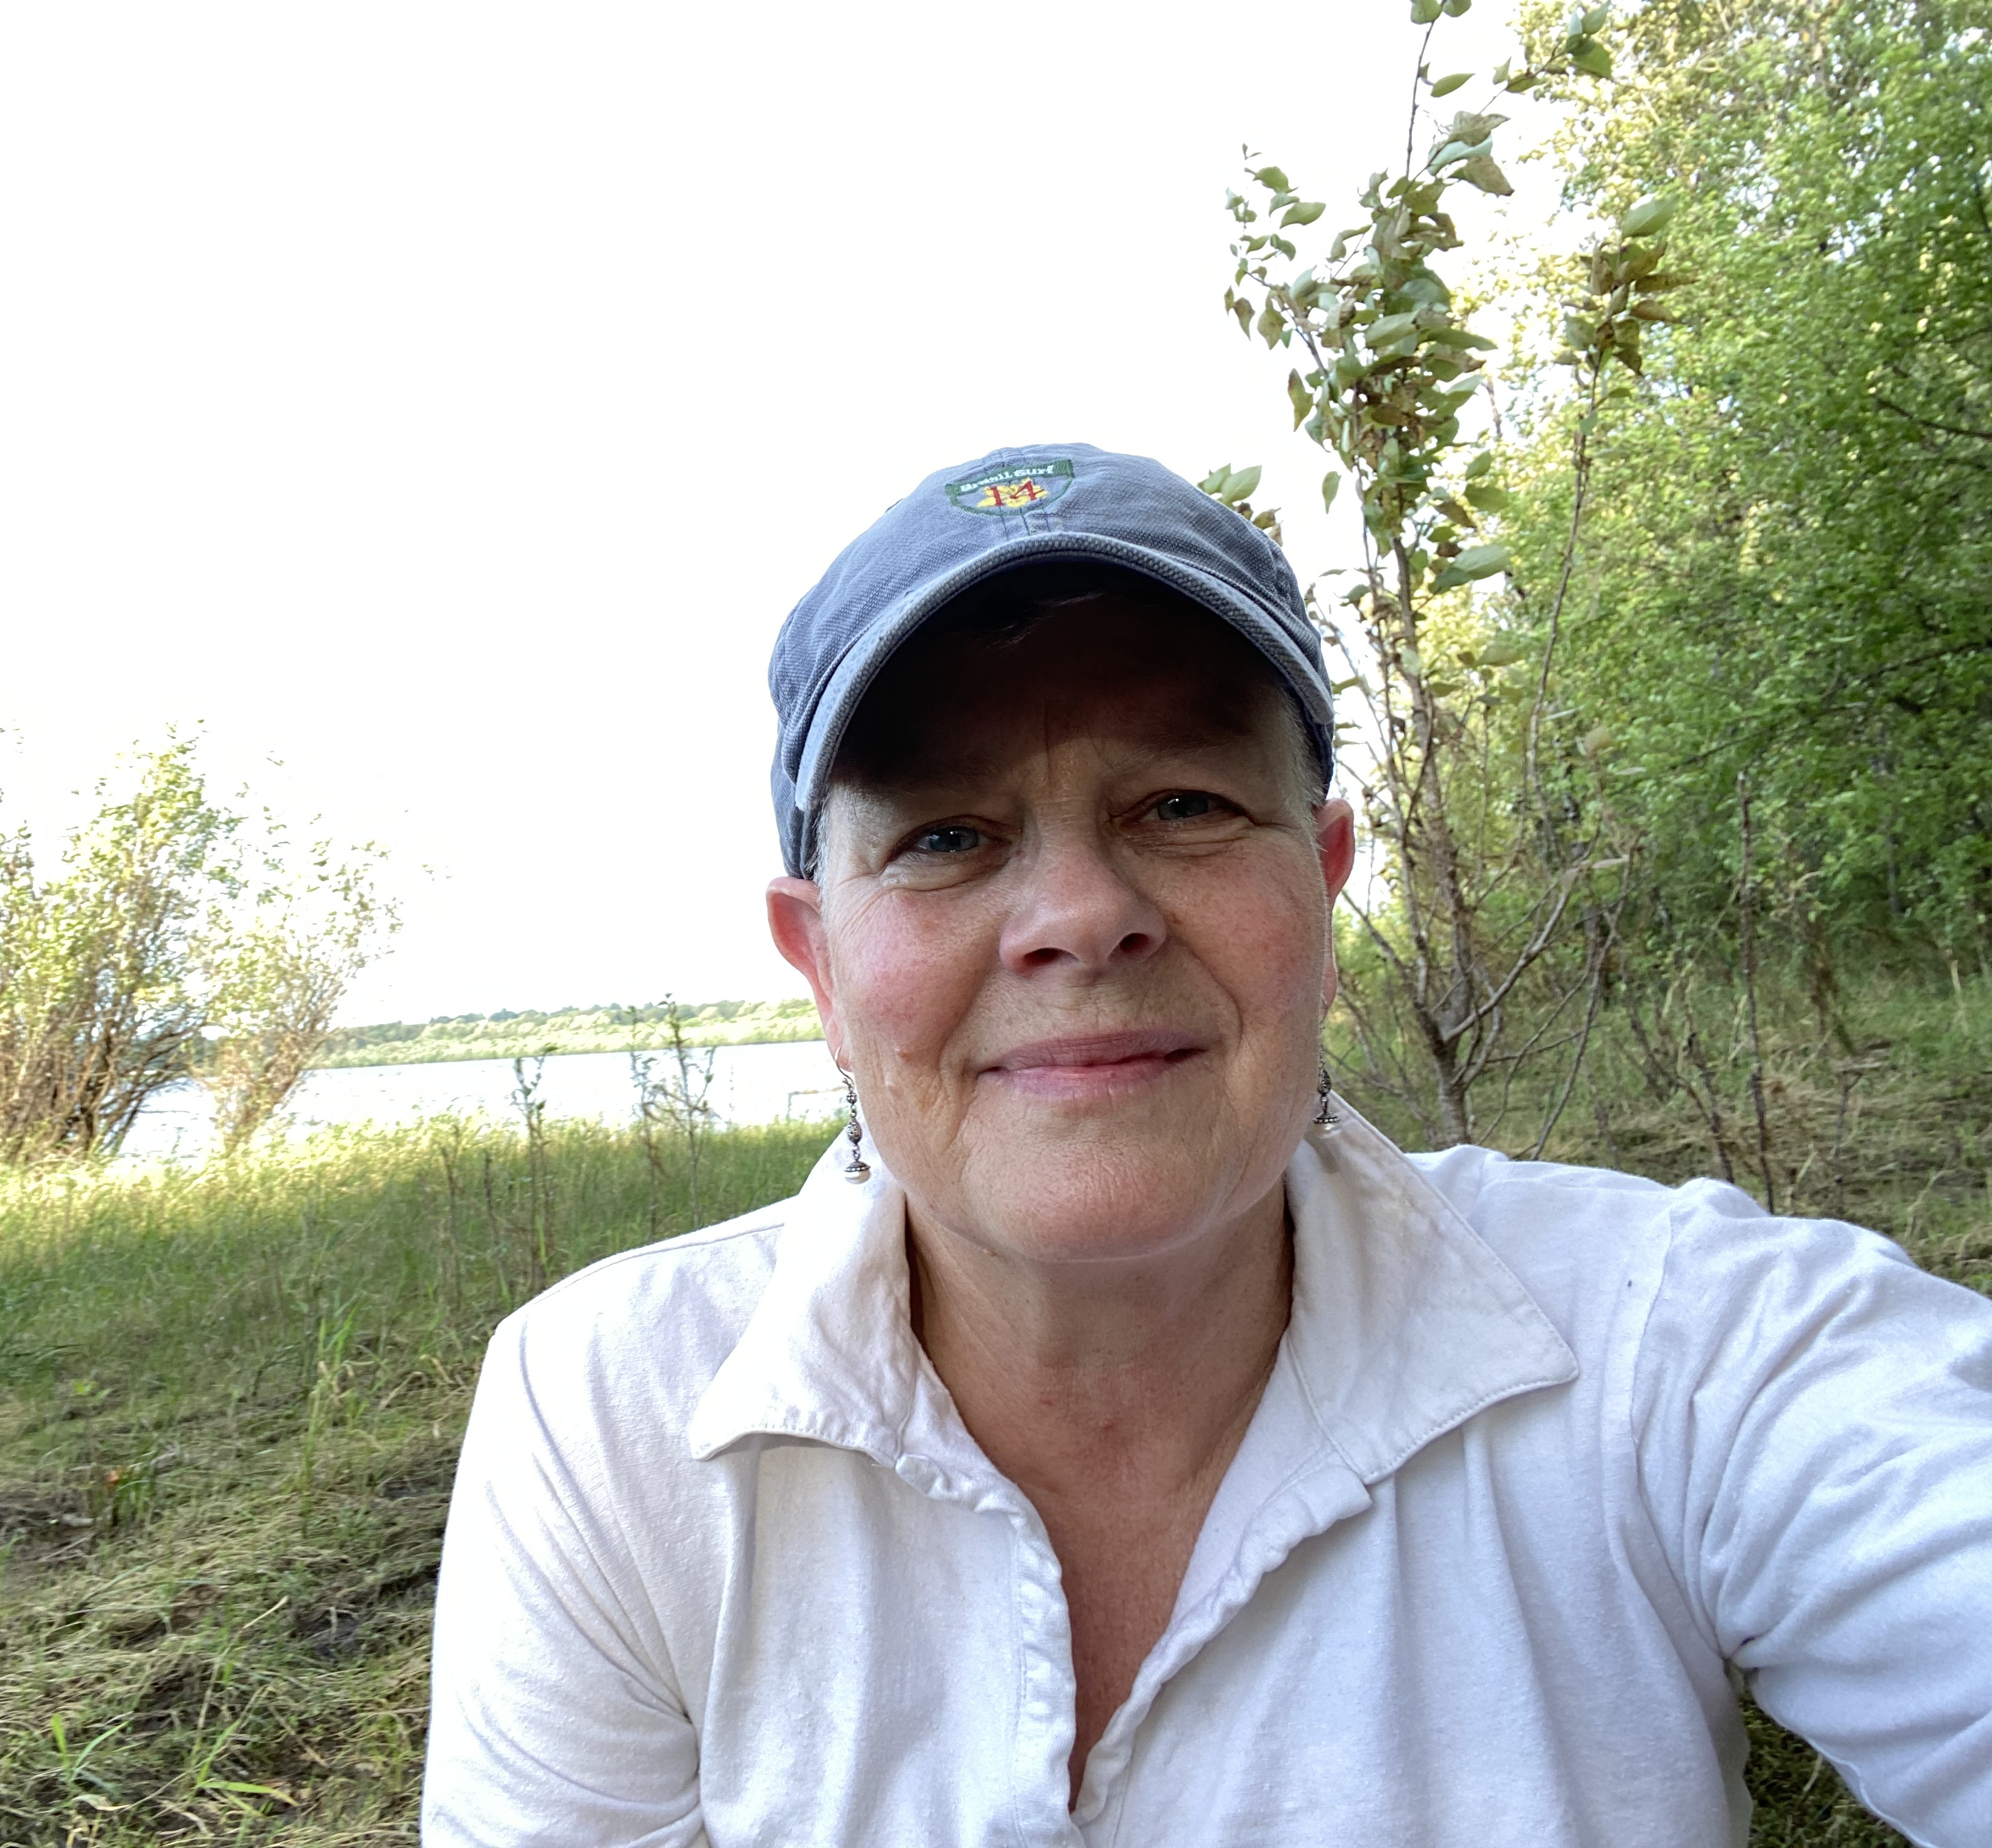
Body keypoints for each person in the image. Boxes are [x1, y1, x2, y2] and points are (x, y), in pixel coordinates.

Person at [421, 444, 1992, 1845]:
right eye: (946, 837)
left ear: (1320, 886)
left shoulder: (1692, 1351)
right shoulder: (610, 1420)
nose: (1081, 915)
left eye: (1181, 803)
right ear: (821, 963)